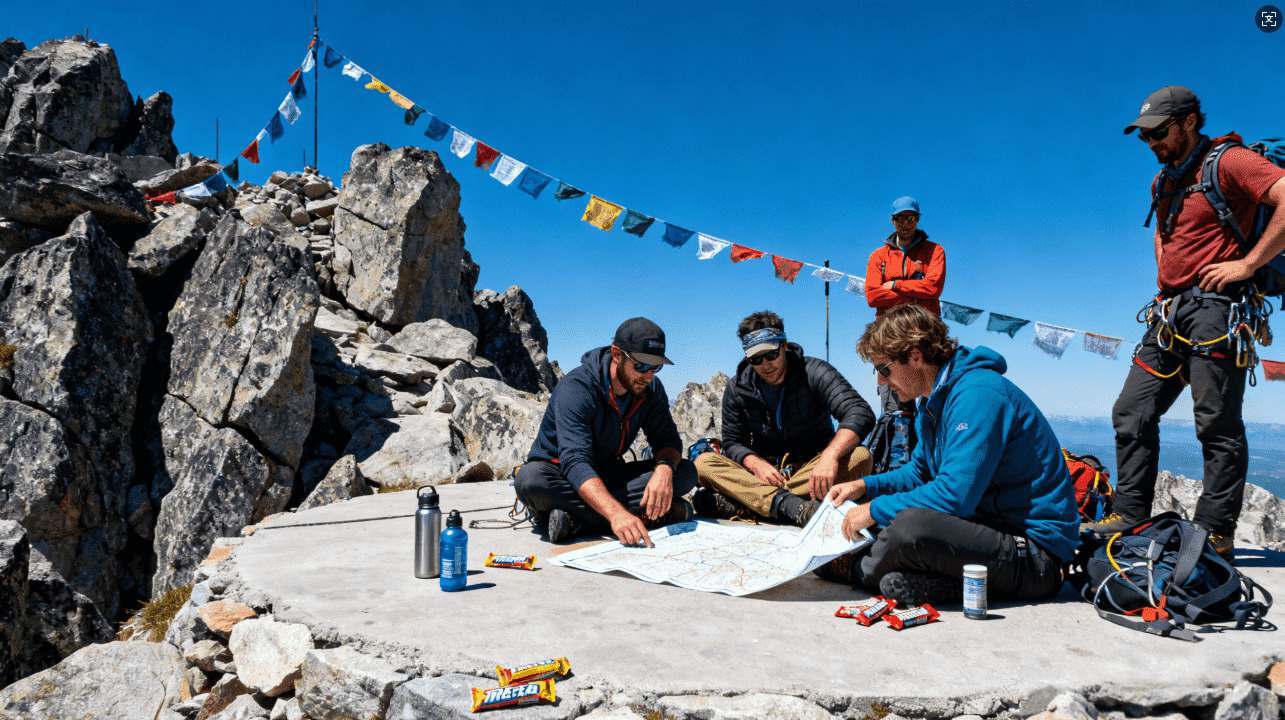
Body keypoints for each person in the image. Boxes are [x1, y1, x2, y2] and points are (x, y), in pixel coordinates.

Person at [1085, 87, 1285, 559]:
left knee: (1215, 423)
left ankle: (1215, 533)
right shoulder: (1164, 182)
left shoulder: (1229, 161)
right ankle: (1131, 511)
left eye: (1159, 132)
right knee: (1131, 410)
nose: (1151, 142)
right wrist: (1165, 278)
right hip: (1169, 311)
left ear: (1190, 121)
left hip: (1217, 309)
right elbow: (1164, 234)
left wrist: (1248, 264)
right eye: (1145, 137)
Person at [819, 304, 1079, 607]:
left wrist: (874, 509)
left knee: (910, 528)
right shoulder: (931, 402)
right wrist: (864, 487)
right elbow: (918, 473)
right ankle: (945, 583)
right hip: (990, 531)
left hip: (1034, 556)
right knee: (891, 520)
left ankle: (854, 569)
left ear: (915, 356)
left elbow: (955, 496)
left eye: (884, 369)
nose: (880, 381)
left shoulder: (978, 395)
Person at [515, 317, 697, 546]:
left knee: (686, 472)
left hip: (608, 474)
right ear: (617, 354)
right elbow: (575, 461)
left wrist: (665, 469)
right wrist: (616, 514)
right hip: (562, 474)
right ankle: (645, 515)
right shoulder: (576, 389)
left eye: (656, 367)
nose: (649, 375)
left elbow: (668, 440)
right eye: (641, 365)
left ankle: (576, 520)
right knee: (530, 481)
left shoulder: (649, 388)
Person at [693, 311, 875, 526]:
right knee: (703, 463)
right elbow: (732, 442)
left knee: (860, 456)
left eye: (771, 355)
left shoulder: (814, 371)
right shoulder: (737, 388)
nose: (765, 365)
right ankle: (792, 507)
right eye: (756, 359)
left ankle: (751, 504)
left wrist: (830, 456)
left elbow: (859, 412)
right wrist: (754, 463)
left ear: (784, 345)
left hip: (810, 472)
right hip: (762, 475)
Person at [864, 196, 947, 465]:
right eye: (901, 218)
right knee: (895, 412)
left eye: (911, 217)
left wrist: (895, 286)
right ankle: (894, 472)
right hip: (889, 344)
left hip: (926, 343)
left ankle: (931, 469)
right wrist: (914, 291)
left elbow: (933, 288)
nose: (906, 223)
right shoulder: (878, 256)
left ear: (918, 219)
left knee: (930, 408)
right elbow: (872, 296)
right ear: (893, 220)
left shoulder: (935, 251)